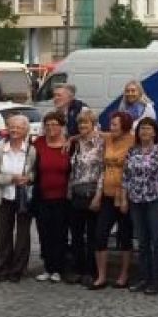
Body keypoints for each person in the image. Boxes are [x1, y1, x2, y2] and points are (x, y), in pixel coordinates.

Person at [123, 116, 158, 295]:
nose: (144, 131)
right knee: (142, 242)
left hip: (155, 200)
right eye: (142, 128)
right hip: (136, 200)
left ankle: (157, 280)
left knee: (157, 241)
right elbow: (126, 176)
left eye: (148, 128)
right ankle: (144, 277)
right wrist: (124, 198)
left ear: (155, 133)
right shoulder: (132, 151)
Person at [0, 114, 37, 283]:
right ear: (8, 129)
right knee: (4, 234)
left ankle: (18, 269)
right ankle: (2, 267)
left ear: (25, 130)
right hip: (4, 197)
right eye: (12, 127)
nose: (15, 130)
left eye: (19, 127)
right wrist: (11, 179)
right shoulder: (0, 148)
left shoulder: (31, 150)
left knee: (23, 235)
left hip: (24, 198)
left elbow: (35, 173)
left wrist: (28, 178)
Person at [91, 110, 134, 289]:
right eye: (111, 124)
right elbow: (89, 133)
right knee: (100, 234)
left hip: (125, 196)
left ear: (124, 126)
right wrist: (71, 139)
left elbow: (156, 141)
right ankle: (101, 276)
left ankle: (124, 275)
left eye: (115, 124)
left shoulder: (133, 140)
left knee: (125, 236)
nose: (111, 127)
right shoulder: (108, 138)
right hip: (107, 194)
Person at [33, 111, 72, 282]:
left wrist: (73, 138)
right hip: (42, 196)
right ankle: (47, 267)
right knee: (44, 233)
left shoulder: (70, 144)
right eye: (47, 125)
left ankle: (58, 269)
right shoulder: (39, 143)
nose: (50, 128)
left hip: (63, 198)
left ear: (62, 126)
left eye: (54, 124)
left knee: (60, 233)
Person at [68, 108, 103, 287]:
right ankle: (78, 269)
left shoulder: (100, 142)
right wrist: (69, 189)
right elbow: (72, 169)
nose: (82, 125)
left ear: (93, 124)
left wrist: (98, 195)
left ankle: (90, 271)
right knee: (76, 235)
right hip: (76, 192)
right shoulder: (75, 143)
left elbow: (103, 170)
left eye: (86, 123)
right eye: (80, 123)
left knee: (92, 235)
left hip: (92, 192)